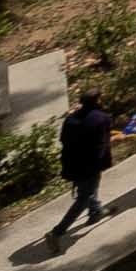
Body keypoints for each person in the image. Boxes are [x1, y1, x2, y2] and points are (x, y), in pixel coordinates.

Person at [48, 86, 114, 247]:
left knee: (89, 189)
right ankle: (57, 232)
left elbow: (63, 139)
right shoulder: (102, 118)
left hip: (71, 163)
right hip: (89, 165)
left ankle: (96, 211)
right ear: (98, 101)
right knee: (84, 197)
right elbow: (102, 145)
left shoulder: (70, 119)